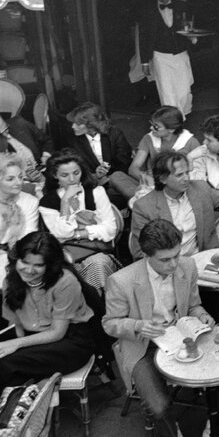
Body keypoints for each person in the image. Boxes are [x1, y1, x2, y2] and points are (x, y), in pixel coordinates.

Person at [103, 219, 215, 437]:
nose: (173, 264)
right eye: (165, 260)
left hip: (181, 336)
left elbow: (193, 305)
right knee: (158, 406)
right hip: (143, 346)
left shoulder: (188, 265)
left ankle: (211, 426)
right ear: (146, 255)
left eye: (176, 255)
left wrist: (203, 316)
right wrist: (138, 325)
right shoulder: (121, 281)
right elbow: (109, 323)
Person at [0, 232, 100, 387]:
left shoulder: (65, 281)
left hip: (71, 341)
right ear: (16, 259)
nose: (29, 270)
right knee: (11, 370)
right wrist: (13, 344)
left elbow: (57, 332)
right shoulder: (10, 281)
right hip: (32, 338)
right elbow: (16, 326)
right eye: (24, 262)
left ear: (50, 265)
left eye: (38, 265)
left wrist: (16, 345)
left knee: (6, 365)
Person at [131, 151, 219, 258]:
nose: (186, 178)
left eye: (187, 172)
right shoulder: (144, 207)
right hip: (168, 266)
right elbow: (140, 252)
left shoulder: (200, 189)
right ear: (163, 179)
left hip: (202, 259)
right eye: (179, 175)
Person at [38, 149, 120, 291]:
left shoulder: (96, 192)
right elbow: (61, 233)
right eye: (65, 175)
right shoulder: (47, 202)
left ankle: (102, 304)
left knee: (97, 264)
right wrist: (65, 202)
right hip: (66, 256)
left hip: (97, 251)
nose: (72, 179)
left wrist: (77, 234)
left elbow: (110, 230)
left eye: (76, 173)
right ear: (54, 175)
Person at [137, 0, 195, 115]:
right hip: (160, 56)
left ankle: (181, 118)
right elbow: (143, 37)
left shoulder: (182, 6)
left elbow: (192, 26)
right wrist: (144, 62)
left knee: (184, 92)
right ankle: (173, 125)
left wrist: (193, 37)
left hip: (181, 55)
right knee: (167, 94)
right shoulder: (148, 10)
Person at [128, 106, 200, 207]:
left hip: (179, 186)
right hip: (152, 184)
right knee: (116, 176)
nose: (151, 128)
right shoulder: (148, 138)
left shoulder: (190, 142)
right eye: (151, 124)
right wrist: (146, 178)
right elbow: (133, 168)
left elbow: (198, 173)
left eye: (156, 126)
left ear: (171, 129)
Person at [64, 102, 136, 204]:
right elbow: (77, 167)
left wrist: (107, 176)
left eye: (78, 124)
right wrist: (95, 175)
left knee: (116, 184)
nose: (73, 126)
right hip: (93, 183)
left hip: (119, 177)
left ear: (90, 124)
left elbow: (124, 160)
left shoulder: (114, 133)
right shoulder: (73, 141)